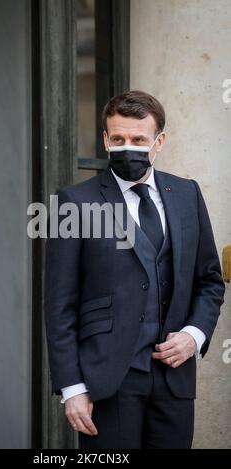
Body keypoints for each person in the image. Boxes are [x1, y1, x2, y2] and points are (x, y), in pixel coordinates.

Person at [44, 90, 225, 449]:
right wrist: (73, 387)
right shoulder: (75, 202)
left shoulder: (187, 194)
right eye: (119, 139)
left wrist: (194, 335)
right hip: (107, 381)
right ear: (105, 140)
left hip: (174, 382)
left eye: (139, 140)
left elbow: (209, 280)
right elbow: (59, 302)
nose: (129, 147)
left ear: (159, 142)